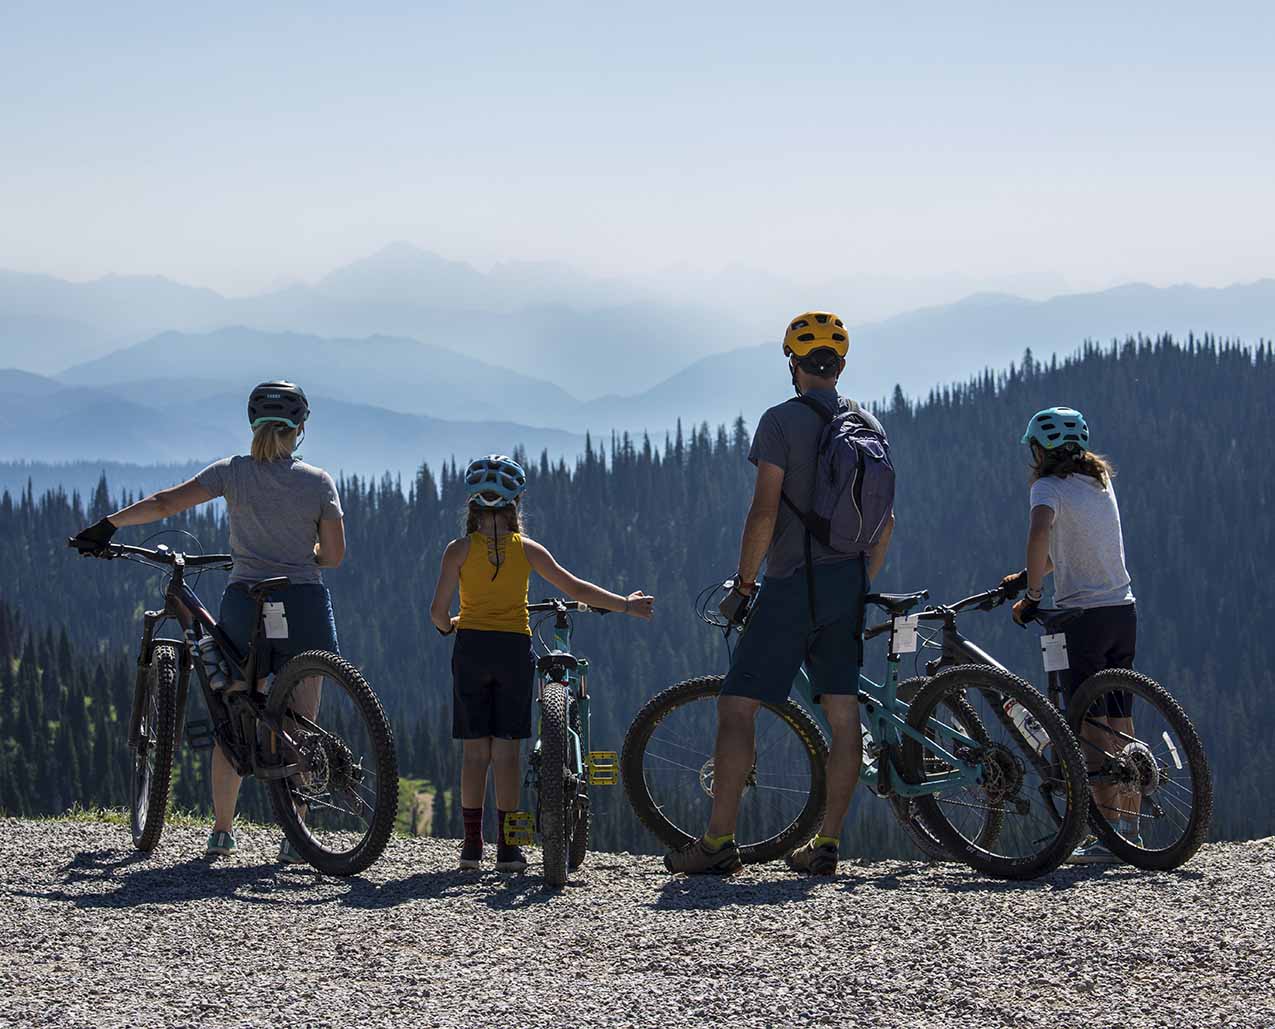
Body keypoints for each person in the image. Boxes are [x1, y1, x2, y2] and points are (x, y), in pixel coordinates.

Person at [70, 381, 345, 862]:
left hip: (246, 602)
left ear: (252, 424)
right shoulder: (318, 481)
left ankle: (222, 831)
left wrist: (107, 525)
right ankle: (296, 833)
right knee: (301, 721)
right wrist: (306, 555)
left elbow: (164, 504)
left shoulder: (232, 472)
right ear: (300, 429)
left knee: (234, 709)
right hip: (303, 603)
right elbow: (334, 556)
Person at [664, 312, 896, 877]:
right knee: (843, 715)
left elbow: (764, 510)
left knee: (737, 705)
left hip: (793, 583)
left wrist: (746, 584)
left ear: (794, 364)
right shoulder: (867, 423)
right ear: (840, 365)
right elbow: (885, 521)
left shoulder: (780, 421)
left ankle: (718, 842)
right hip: (847, 583)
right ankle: (827, 844)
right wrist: (861, 579)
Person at [428, 455, 655, 872]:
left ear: (472, 505)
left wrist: (450, 626)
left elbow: (437, 614)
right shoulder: (527, 550)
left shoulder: (457, 551)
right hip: (513, 650)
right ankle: (509, 849)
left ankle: (471, 847)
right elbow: (576, 588)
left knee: (475, 753)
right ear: (515, 505)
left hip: (471, 650)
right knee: (508, 754)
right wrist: (626, 604)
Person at [1005, 406, 1137, 865]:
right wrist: (1028, 576)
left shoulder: (1047, 487)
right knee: (1119, 716)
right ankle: (1130, 828)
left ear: (1040, 451)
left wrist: (1033, 595)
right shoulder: (1100, 482)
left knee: (1088, 723)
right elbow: (1077, 549)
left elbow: (1040, 533)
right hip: (1122, 610)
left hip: (1083, 618)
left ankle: (1107, 836)